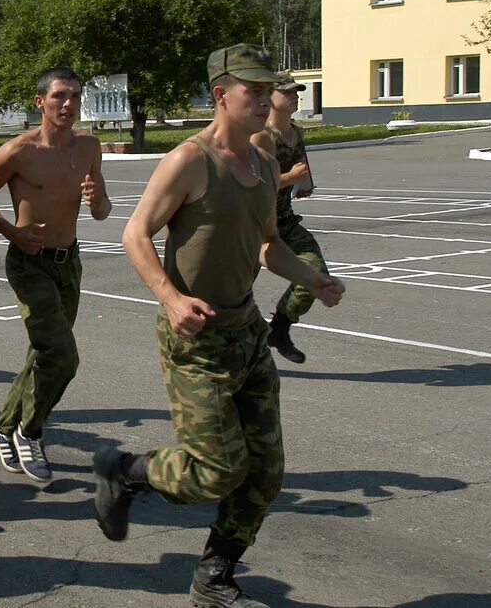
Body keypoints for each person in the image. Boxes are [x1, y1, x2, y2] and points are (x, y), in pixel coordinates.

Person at [92, 44, 346, 608]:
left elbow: (269, 247)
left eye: (267, 90)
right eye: (251, 90)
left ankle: (214, 574)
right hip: (196, 339)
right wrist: (171, 298)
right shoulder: (190, 159)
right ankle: (127, 472)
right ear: (220, 95)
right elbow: (135, 235)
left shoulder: (265, 166)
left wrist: (313, 280)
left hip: (248, 333)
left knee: (265, 473)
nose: (264, 100)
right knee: (215, 471)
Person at [0, 67, 111, 484]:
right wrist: (13, 232)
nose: (68, 105)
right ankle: (29, 431)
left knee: (44, 352)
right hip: (30, 262)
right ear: (40, 102)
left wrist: (98, 199)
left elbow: (100, 211)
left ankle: (1, 427)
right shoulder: (19, 150)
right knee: (62, 356)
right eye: (59, 96)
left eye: (75, 97)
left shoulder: (89, 147)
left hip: (70, 262)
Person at [250, 74, 327, 365]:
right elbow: (252, 183)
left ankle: (279, 329)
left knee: (316, 277)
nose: (295, 96)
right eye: (288, 92)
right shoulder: (261, 137)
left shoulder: (296, 132)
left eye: (297, 92)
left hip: (284, 221)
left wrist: (304, 183)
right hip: (253, 225)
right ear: (270, 97)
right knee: (235, 295)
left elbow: (302, 167)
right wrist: (289, 178)